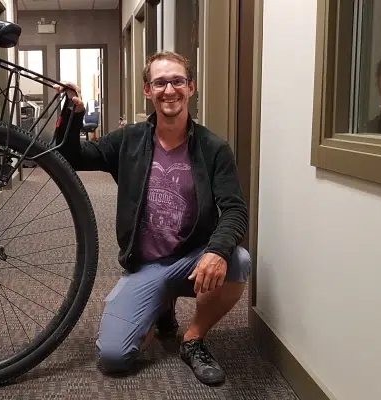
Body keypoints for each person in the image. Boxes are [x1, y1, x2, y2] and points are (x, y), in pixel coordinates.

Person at [51, 50, 251, 386]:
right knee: (115, 358)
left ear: (191, 87)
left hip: (192, 259)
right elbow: (72, 156)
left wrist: (216, 250)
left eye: (176, 81)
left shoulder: (213, 148)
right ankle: (160, 305)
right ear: (148, 90)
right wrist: (74, 111)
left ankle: (193, 339)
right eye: (160, 83)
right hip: (145, 266)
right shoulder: (130, 140)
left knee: (238, 261)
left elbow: (235, 209)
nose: (168, 90)